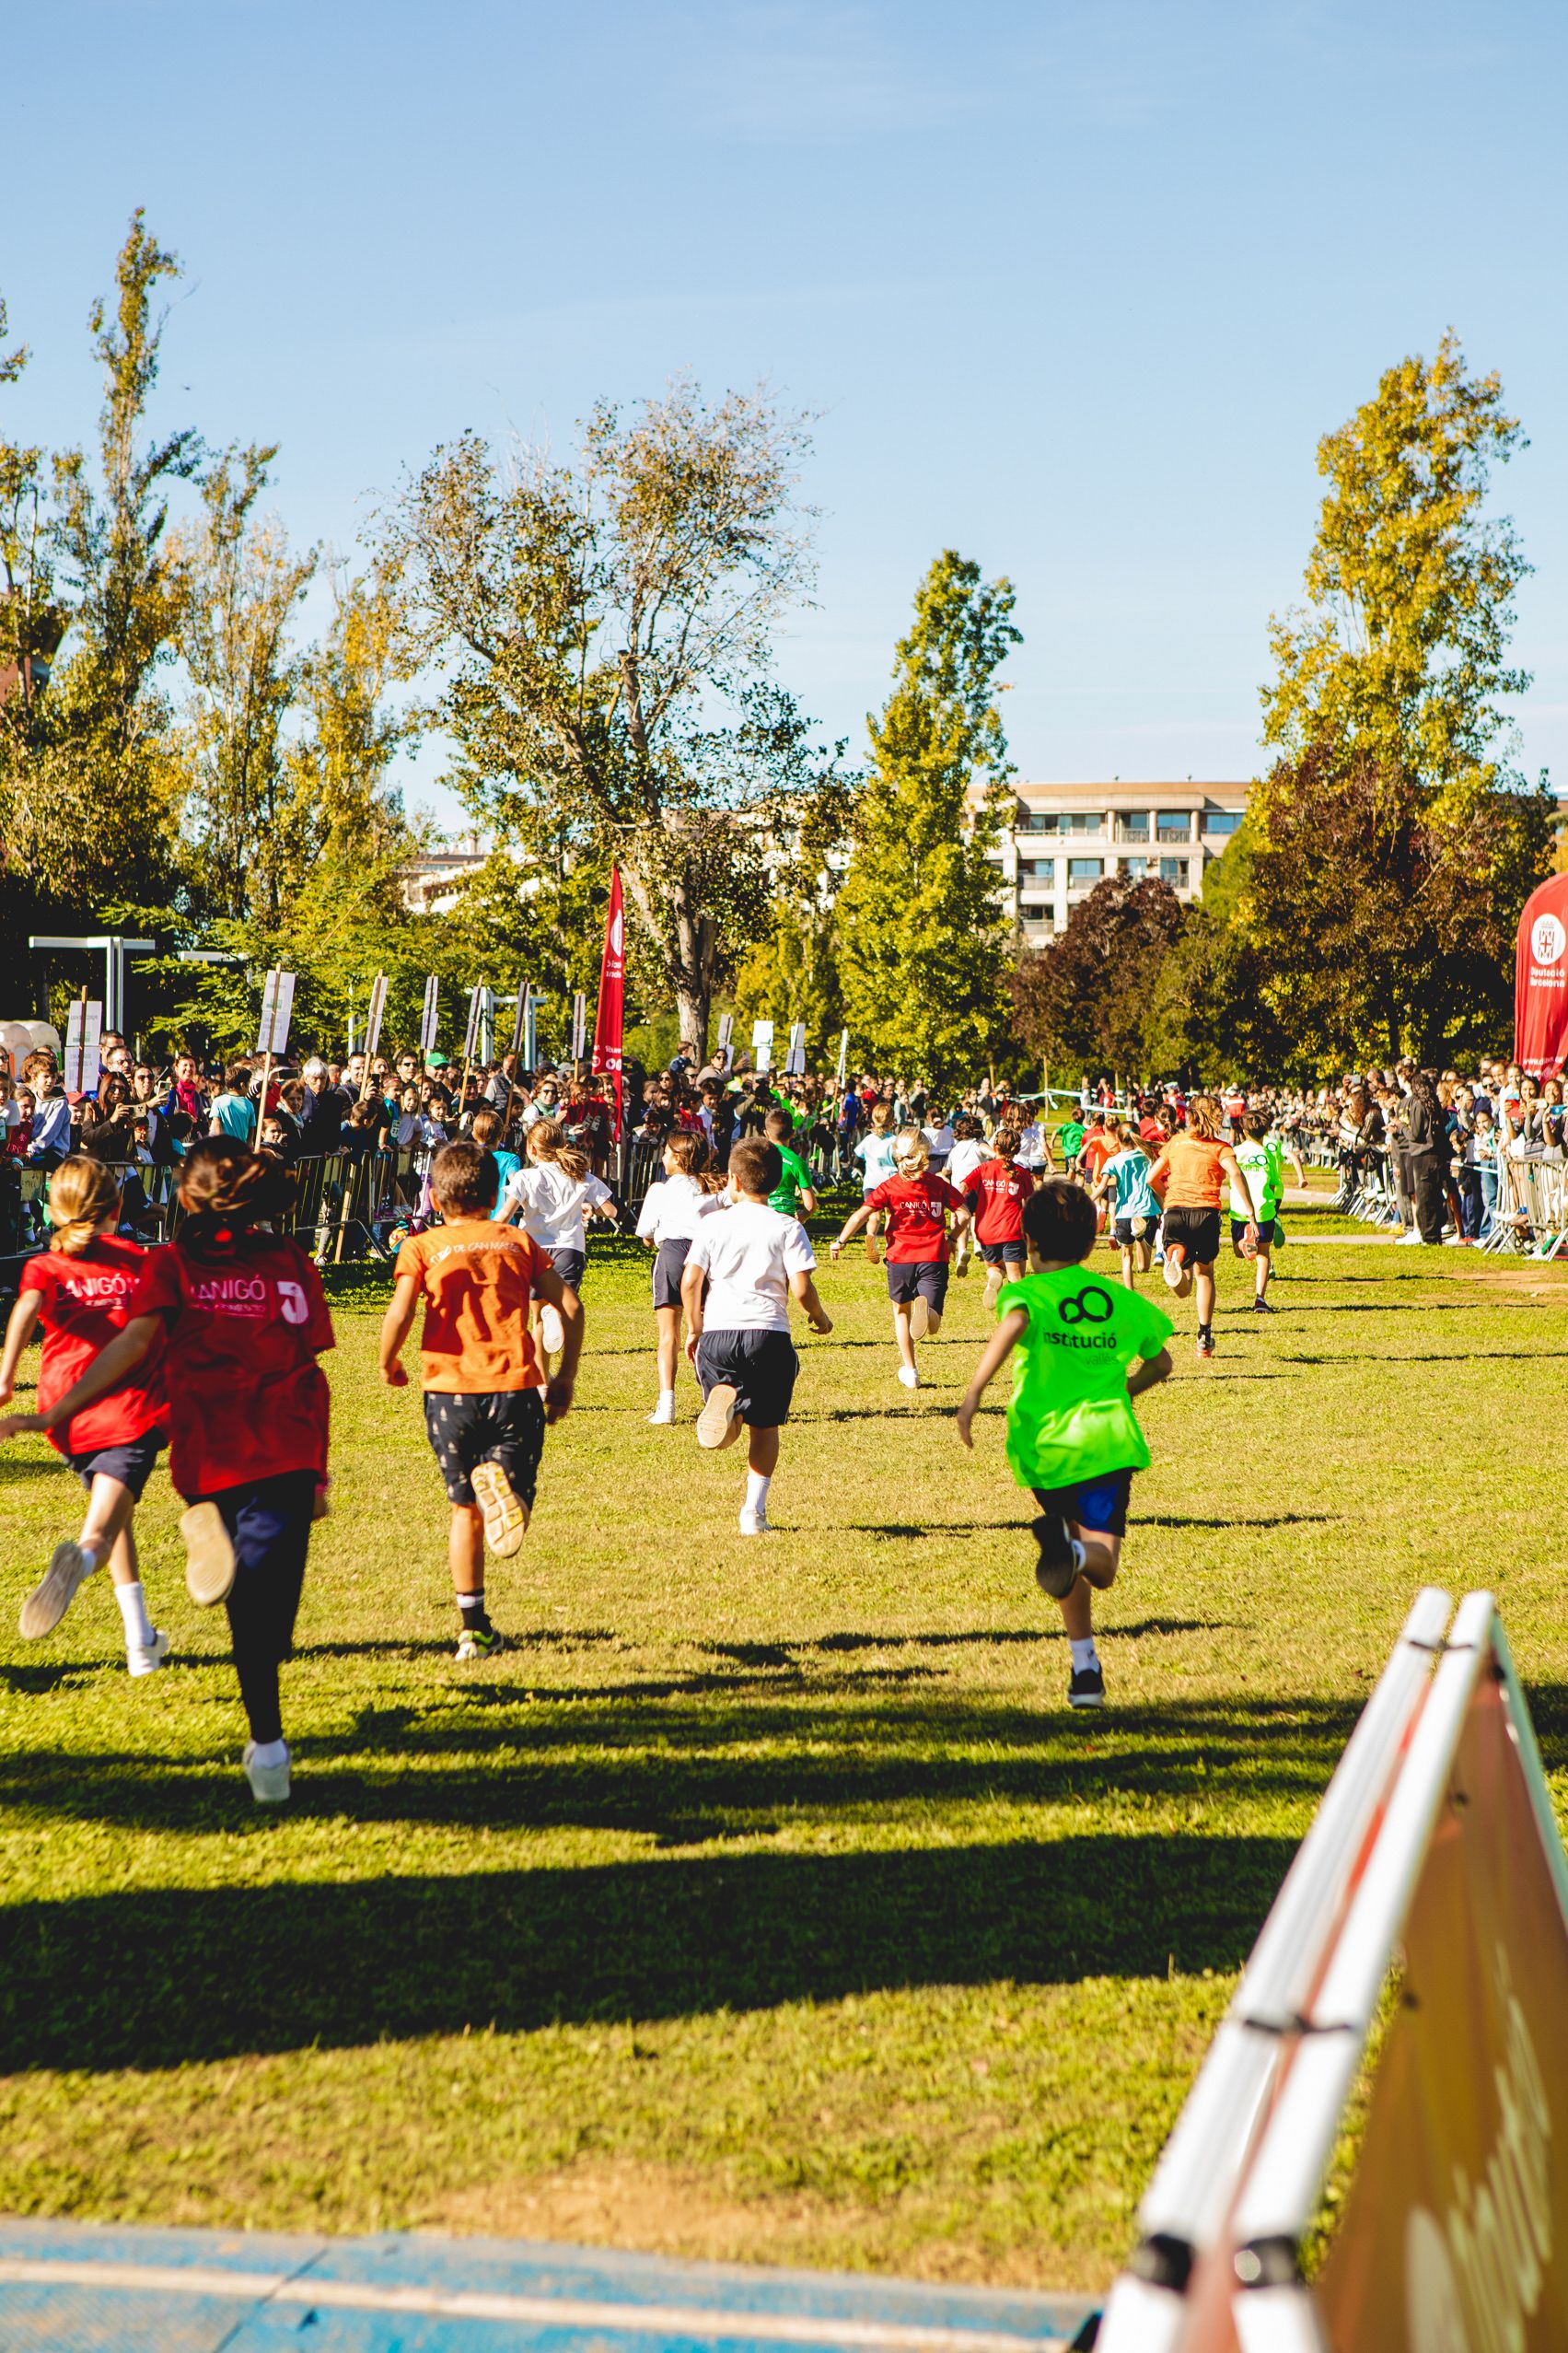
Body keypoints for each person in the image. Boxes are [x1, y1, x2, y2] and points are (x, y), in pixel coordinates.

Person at [0, 1140, 333, 1804]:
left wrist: (56, 1407)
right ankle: (265, 1741)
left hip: (213, 1446)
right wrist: (320, 1471)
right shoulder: (284, 1259)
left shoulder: (181, 1263)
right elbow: (309, 1358)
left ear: (183, 1198)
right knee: (268, 1615)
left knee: (258, 1618)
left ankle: (265, 1742)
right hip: (286, 1445)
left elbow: (133, 1341)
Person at [956, 1177, 1173, 1711]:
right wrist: (1124, 1389)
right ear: (1092, 1241)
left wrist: (974, 1392)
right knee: (1101, 1565)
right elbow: (1162, 1362)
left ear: (1028, 1242)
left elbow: (1015, 1324)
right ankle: (1073, 1555)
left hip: (1044, 1446)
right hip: (1105, 1443)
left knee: (1072, 1555)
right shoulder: (1121, 1299)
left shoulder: (1026, 1292)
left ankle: (1085, 1668)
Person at [379, 1138, 583, 1660]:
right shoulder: (516, 1241)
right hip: (514, 1387)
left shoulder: (421, 1247)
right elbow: (570, 1305)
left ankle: (472, 1627)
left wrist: (389, 1359)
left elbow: (402, 1311)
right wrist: (564, 1377)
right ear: (495, 1195)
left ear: (435, 1197)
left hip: (448, 1392)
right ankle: (508, 1495)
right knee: (512, 1507)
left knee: (463, 1509)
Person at [1, 1156, 170, 1674]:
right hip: (128, 1411)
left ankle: (141, 1642)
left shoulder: (45, 1265)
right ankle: (82, 1562)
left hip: (64, 1413)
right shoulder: (138, 1259)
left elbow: (25, 1311)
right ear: (118, 1207)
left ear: (53, 1210)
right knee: (99, 1533)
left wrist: (6, 1377)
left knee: (117, 1519)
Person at [680, 1136, 832, 1534]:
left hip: (718, 1333)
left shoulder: (713, 1223)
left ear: (732, 1179)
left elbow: (690, 1282)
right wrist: (819, 1316)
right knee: (765, 1426)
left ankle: (726, 1408)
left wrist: (695, 1328)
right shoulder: (787, 1226)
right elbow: (801, 1289)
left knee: (728, 1431)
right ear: (780, 1178)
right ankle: (753, 1512)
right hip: (768, 1333)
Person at [829, 1128, 970, 1390]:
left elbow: (862, 1214)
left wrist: (841, 1240)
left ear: (897, 1156)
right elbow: (964, 1214)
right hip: (934, 1257)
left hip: (900, 1258)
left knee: (900, 1312)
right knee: (934, 1323)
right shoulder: (939, 1185)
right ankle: (927, 1310)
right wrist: (952, 1240)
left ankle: (911, 1370)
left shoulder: (889, 1186)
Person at [1146, 1097, 1259, 1359]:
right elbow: (1236, 1174)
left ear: (1190, 1116)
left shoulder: (1176, 1142)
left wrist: (1168, 1198)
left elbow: (1152, 1178)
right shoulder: (1221, 1147)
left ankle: (1174, 1258)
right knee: (1205, 1274)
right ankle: (1204, 1337)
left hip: (1175, 1212)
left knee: (1183, 1287)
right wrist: (1250, 1211)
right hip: (1206, 1214)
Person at [496, 1118, 618, 1359]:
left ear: (532, 1149)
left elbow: (506, 1213)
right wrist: (589, 1205)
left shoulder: (524, 1177)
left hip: (534, 1250)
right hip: (569, 1249)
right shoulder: (579, 1174)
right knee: (559, 1305)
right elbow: (611, 1211)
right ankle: (556, 1311)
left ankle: (542, 1381)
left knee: (537, 1318)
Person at [634, 1132, 724, 1424]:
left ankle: (667, 1404)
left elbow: (646, 1233)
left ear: (677, 1158)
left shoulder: (659, 1190)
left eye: (666, 1153)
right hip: (705, 1258)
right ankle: (712, 1395)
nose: (662, 1158)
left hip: (671, 1254)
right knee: (706, 1330)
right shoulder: (711, 1188)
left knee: (667, 1336)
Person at [961, 1127, 1036, 1310]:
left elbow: (962, 1185)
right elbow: (1031, 1204)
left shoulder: (983, 1169)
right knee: (1016, 1278)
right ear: (1017, 1149)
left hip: (986, 1231)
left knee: (995, 1268)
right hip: (1012, 1230)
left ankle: (994, 1278)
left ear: (995, 1147)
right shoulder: (1023, 1174)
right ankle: (1020, 1316)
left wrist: (958, 1206)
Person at [1091, 1118, 1161, 1288]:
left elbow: (1101, 1187)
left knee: (1126, 1256)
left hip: (1124, 1213)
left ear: (1118, 1139)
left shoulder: (1113, 1161)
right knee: (1143, 1267)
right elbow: (1165, 1151)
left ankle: (1129, 1292)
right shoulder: (1147, 1155)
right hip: (1147, 1210)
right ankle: (1140, 1238)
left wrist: (1085, 1200)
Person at [1230, 1109, 1287, 1310]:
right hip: (1263, 1209)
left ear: (1243, 1132)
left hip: (1239, 1209)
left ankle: (1244, 1243)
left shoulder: (1235, 1152)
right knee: (1263, 1254)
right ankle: (1260, 1299)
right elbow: (1273, 1183)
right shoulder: (1268, 1154)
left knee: (1238, 1251)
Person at [852, 1101, 900, 1264]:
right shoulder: (895, 1141)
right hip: (890, 1182)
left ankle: (871, 1236)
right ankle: (889, 1248)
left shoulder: (868, 1139)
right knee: (890, 1216)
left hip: (871, 1182)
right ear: (892, 1121)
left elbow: (856, 1159)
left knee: (874, 1216)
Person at [947, 1114, 991, 1276]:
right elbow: (991, 1153)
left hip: (958, 1189)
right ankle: (978, 1244)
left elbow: (947, 1169)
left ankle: (962, 1252)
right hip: (976, 1188)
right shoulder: (978, 1144)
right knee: (975, 1216)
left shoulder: (955, 1148)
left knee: (960, 1220)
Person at [762, 1105, 818, 1221]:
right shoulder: (798, 1162)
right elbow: (811, 1205)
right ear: (792, 1133)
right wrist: (802, 1216)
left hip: (760, 1218)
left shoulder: (756, 1156)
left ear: (766, 1134)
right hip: (786, 1221)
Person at [469, 1106, 522, 1210]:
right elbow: (517, 1188)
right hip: (503, 1220)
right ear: (501, 1134)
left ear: (474, 1134)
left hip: (475, 1220)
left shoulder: (468, 1158)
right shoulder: (510, 1159)